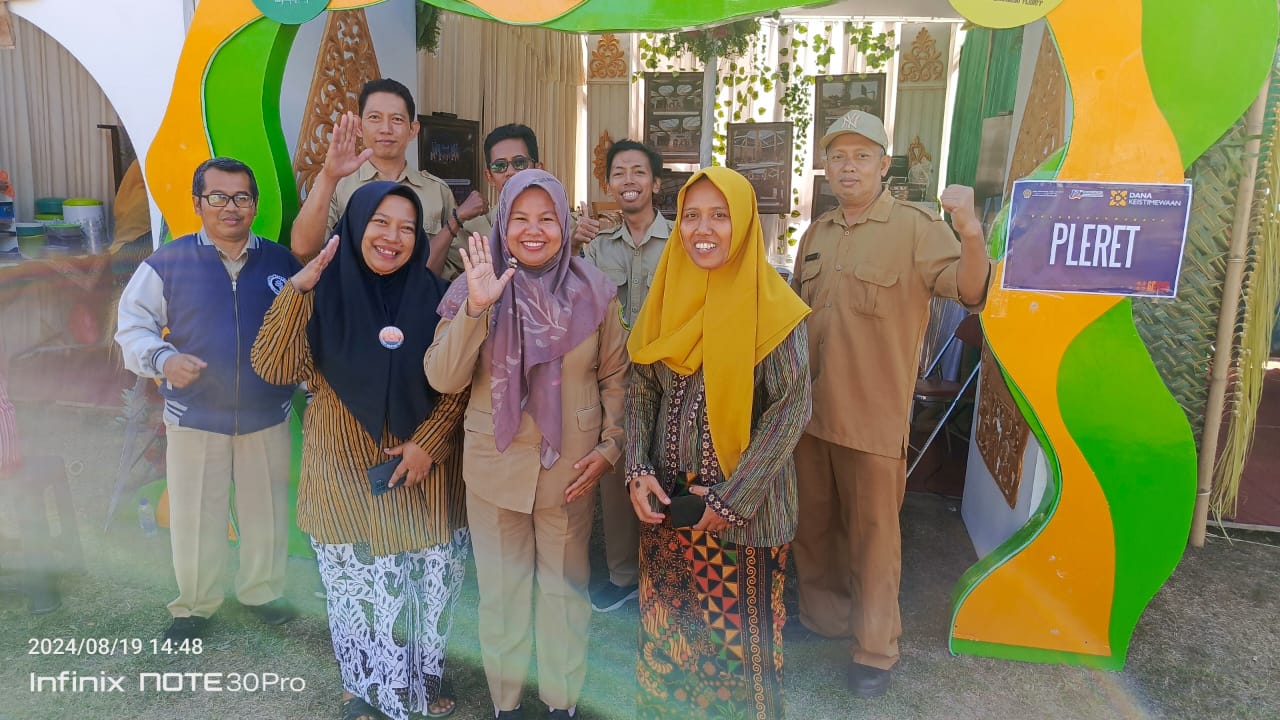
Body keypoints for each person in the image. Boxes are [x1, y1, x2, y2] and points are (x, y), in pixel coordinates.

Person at [789, 109, 991, 698]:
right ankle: (822, 619)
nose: (848, 167)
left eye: (861, 156)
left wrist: (971, 231)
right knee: (814, 528)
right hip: (809, 416)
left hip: (873, 420)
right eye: (838, 157)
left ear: (884, 165)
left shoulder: (916, 227)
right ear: (826, 167)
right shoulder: (818, 232)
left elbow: (970, 290)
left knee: (875, 540)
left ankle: (874, 650)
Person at [251, 181, 468, 720]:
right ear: (354, 226)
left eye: (407, 228)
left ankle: (419, 684)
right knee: (356, 590)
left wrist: (427, 444)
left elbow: (461, 383)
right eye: (380, 222)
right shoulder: (322, 292)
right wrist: (298, 290)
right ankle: (364, 690)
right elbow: (273, 367)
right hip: (342, 469)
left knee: (428, 586)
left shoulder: (438, 296)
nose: (393, 237)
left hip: (424, 474)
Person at [425, 169, 627, 720]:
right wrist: (477, 309)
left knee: (564, 594)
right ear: (502, 223)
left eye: (546, 219)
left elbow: (616, 376)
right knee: (502, 595)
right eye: (519, 218)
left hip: (572, 469)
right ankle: (506, 704)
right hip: (495, 467)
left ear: (564, 224)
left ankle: (562, 704)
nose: (533, 230)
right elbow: (442, 377)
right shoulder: (474, 284)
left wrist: (611, 446)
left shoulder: (595, 289)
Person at [625, 166, 812, 720]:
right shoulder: (668, 295)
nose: (702, 229)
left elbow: (791, 408)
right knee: (670, 640)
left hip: (744, 520)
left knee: (740, 657)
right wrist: (637, 469)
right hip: (668, 509)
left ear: (745, 223)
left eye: (719, 215)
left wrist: (731, 500)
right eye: (691, 215)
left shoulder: (774, 307)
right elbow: (642, 386)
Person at [115, 157, 301, 642]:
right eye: (217, 197)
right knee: (196, 513)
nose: (230, 207)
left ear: (255, 205)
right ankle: (195, 604)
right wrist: (163, 359)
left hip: (266, 412)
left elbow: (305, 329)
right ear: (198, 203)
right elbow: (132, 326)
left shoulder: (281, 263)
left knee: (266, 511)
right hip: (194, 413)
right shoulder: (168, 262)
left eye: (241, 197)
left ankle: (262, 590)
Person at [580, 139, 671, 613]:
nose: (629, 181)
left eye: (639, 171)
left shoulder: (679, 242)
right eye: (619, 173)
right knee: (616, 478)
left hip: (668, 380)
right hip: (616, 380)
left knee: (666, 473)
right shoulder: (597, 247)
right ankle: (622, 576)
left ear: (655, 183)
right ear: (609, 184)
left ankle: (665, 576)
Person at [290, 77, 488, 274]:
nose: (386, 129)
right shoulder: (338, 184)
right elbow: (302, 248)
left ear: (413, 130)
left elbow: (455, 264)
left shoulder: (437, 191)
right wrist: (328, 176)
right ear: (359, 127)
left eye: (397, 119)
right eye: (374, 117)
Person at [447, 123, 601, 279]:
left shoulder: (568, 226)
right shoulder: (472, 233)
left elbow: (582, 285)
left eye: (519, 163)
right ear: (490, 177)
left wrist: (573, 247)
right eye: (499, 166)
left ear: (538, 169)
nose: (510, 172)